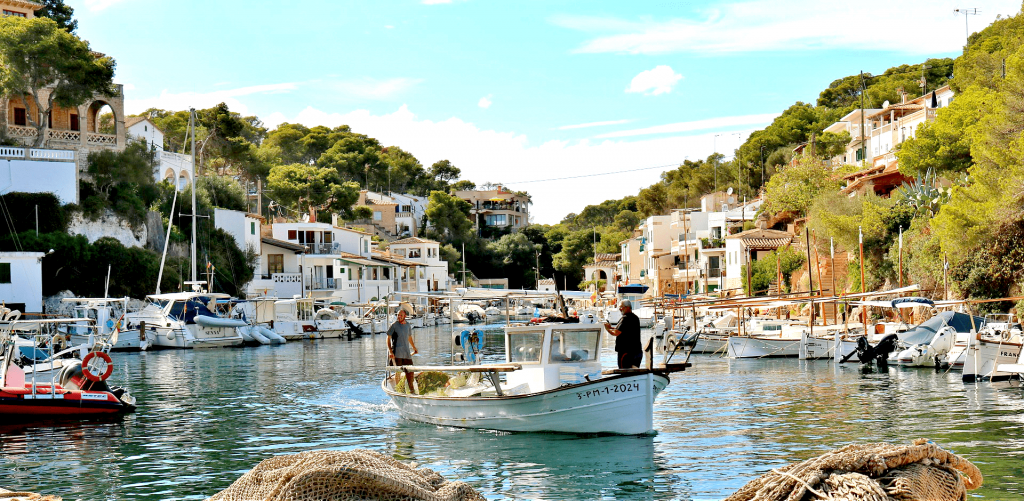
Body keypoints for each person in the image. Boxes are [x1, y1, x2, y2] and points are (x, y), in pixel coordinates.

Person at [603, 299, 642, 369]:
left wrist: (607, 329)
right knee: (634, 373)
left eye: (621, 307)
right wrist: (611, 327)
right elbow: (624, 330)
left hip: (626, 353)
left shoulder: (626, 318)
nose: (620, 309)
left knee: (624, 373)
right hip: (637, 352)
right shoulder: (635, 318)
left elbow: (616, 333)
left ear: (627, 307)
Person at [387, 309, 419, 392]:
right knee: (398, 372)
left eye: (401, 315)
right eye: (398, 315)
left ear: (405, 316)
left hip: (406, 353)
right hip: (397, 353)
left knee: (410, 371)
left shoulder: (408, 325)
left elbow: (409, 337)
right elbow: (388, 338)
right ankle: (398, 391)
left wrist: (414, 347)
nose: (399, 317)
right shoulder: (394, 325)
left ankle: (412, 390)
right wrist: (390, 351)